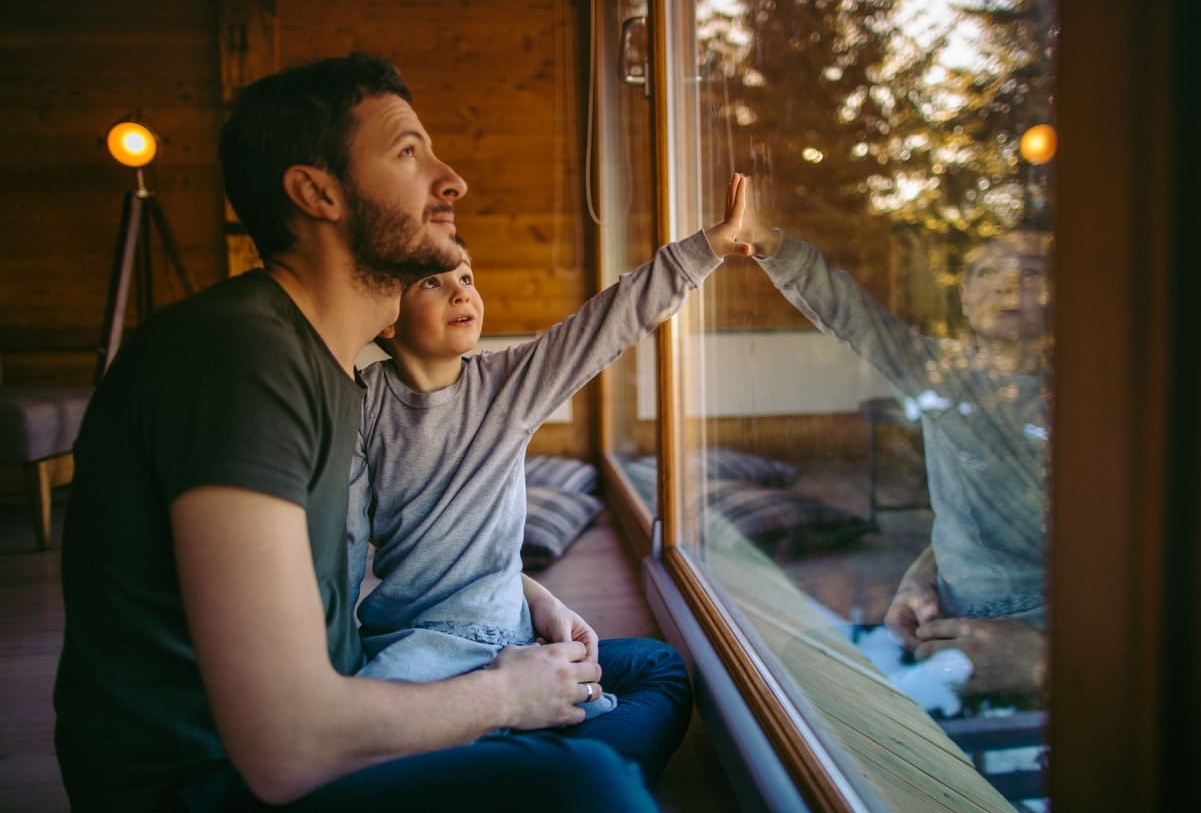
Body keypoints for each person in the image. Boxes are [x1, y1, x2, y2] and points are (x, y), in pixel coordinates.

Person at [53, 53, 662, 812]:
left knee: (644, 667)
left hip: (334, 696)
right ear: (317, 193)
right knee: (595, 786)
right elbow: (287, 747)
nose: (451, 182)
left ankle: (530, 751)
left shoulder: (327, 368)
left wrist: (525, 597)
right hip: (213, 783)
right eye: (409, 153)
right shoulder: (239, 361)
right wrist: (502, 696)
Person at [346, 175, 757, 781]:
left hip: (506, 636)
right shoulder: (360, 407)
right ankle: (534, 770)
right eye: (433, 281)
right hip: (416, 651)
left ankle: (519, 766)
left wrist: (709, 246)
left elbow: (609, 321)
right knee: (361, 741)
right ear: (386, 316)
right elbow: (342, 551)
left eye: (466, 277)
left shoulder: (507, 384)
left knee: (659, 665)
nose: (461, 293)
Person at [747, 202, 1050, 697]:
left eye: (1031, 272)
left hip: (1031, 638)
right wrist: (770, 244)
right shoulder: (934, 368)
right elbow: (851, 314)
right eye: (988, 271)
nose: (1006, 284)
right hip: (944, 617)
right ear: (966, 298)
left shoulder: (1090, 405)